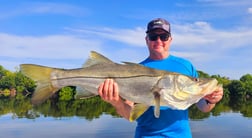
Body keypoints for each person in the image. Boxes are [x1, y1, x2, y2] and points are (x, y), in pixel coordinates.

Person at [98, 18, 223, 138]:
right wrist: (116, 102)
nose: (158, 41)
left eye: (163, 37)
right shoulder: (136, 70)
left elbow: (203, 107)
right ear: (147, 40)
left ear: (170, 39)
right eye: (153, 37)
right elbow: (130, 114)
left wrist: (211, 100)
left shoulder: (186, 66)